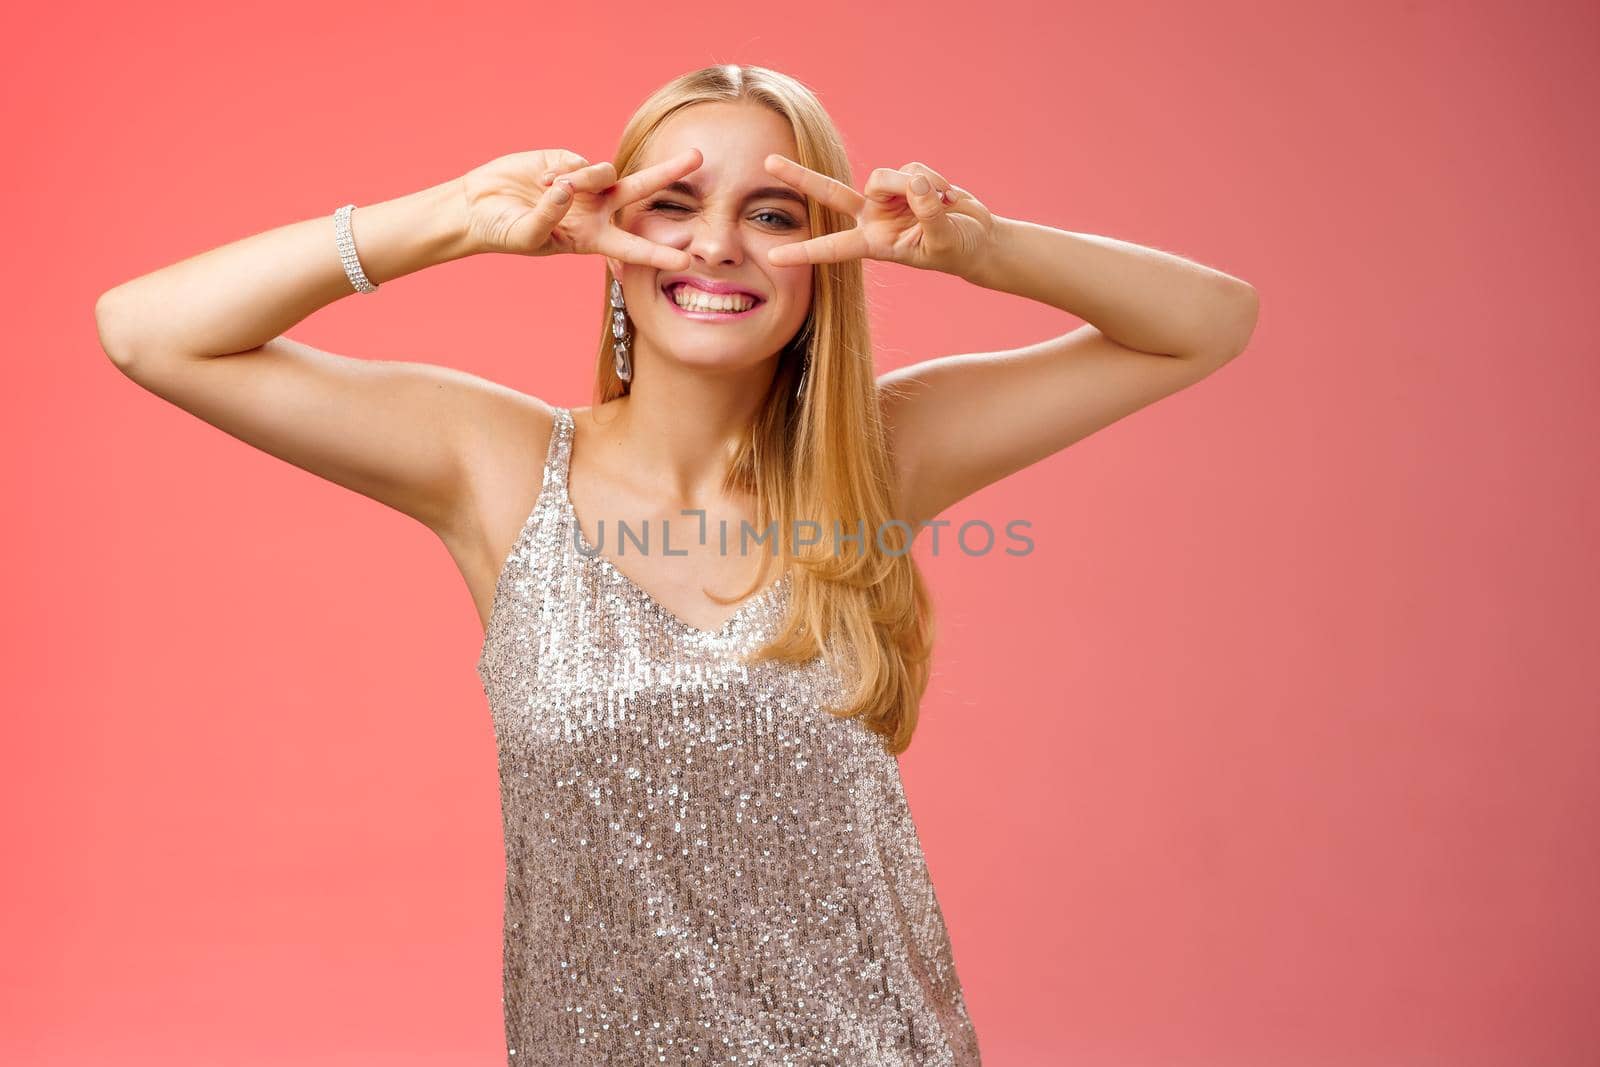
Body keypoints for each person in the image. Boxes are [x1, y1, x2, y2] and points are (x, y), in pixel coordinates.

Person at [94, 63, 1258, 1067]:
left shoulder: (876, 461)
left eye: (774, 212)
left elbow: (1208, 318)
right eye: (672, 203)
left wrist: (979, 246)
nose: (714, 243)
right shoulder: (495, 466)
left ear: (824, 259)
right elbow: (151, 331)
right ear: (607, 233)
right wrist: (452, 216)